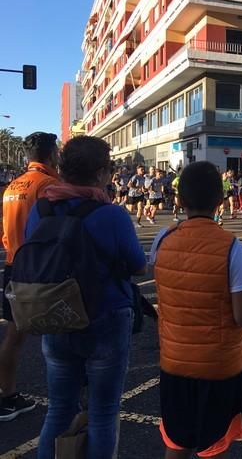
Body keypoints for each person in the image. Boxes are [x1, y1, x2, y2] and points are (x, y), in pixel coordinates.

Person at [26, 136, 146, 458]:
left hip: (55, 314)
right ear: (100, 173)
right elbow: (138, 266)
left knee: (59, 409)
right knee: (104, 413)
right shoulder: (113, 215)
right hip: (105, 317)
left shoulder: (41, 210)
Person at [150, 161, 242, 459]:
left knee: (176, 442)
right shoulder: (231, 246)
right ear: (220, 202)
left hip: (174, 362)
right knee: (213, 446)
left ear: (179, 201)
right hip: (218, 367)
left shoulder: (163, 239)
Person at [0, 132, 59, 422]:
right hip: (40, 268)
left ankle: (8, 396)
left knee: (13, 335)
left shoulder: (12, 185)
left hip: (13, 265)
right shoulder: (48, 184)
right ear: (51, 154)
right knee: (60, 332)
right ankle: (67, 398)